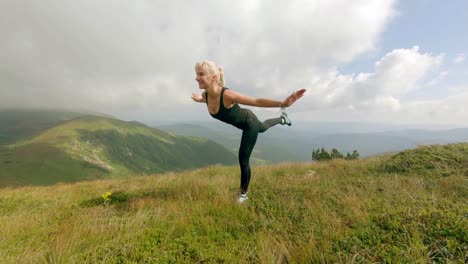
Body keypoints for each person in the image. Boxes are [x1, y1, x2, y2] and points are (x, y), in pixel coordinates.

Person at [191, 60, 306, 203]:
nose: (196, 78)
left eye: (200, 74)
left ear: (213, 77)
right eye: (196, 74)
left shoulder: (227, 95)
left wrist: (283, 103)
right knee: (263, 127)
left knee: (243, 158)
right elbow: (205, 101)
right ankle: (282, 119)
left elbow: (257, 101)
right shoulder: (206, 95)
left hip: (249, 123)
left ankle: (243, 195)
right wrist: (197, 100)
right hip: (245, 123)